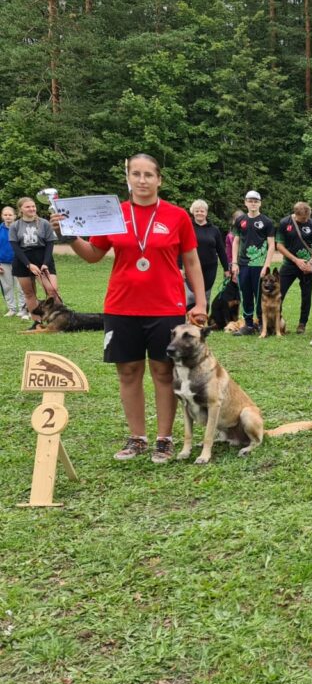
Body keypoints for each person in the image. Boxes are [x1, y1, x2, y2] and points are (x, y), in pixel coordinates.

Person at [52, 153, 206, 463]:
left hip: (166, 307)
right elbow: (94, 254)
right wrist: (65, 234)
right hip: (122, 306)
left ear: (159, 179)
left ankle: (165, 439)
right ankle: (137, 438)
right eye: (136, 174)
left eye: (149, 174)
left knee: (163, 371)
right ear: (128, 179)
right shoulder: (113, 213)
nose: (142, 180)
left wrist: (200, 302)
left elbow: (191, 260)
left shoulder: (177, 216)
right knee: (128, 371)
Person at [230, 190, 275, 336]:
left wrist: (266, 266)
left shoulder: (267, 222)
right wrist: (234, 262)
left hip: (260, 266)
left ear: (260, 203)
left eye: (256, 201)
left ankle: (263, 324)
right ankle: (248, 325)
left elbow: (271, 245)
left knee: (260, 295)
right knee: (246, 294)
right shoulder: (240, 220)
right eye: (250, 201)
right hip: (243, 265)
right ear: (245, 202)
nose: (253, 203)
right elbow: (236, 242)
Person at [275, 201, 312, 334]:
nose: (306, 220)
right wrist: (296, 260)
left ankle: (302, 324)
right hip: (289, 264)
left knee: (306, 296)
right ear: (296, 214)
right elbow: (279, 245)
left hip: (307, 267)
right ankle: (277, 320)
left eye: (307, 217)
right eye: (303, 218)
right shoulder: (285, 223)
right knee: (280, 293)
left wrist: (311, 262)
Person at [10, 196, 58, 325]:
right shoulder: (15, 226)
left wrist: (45, 263)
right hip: (23, 260)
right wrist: (28, 264)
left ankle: (56, 319)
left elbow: (50, 244)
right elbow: (16, 248)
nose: (32, 209)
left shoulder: (44, 223)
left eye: (33, 206)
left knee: (52, 290)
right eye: (28, 207)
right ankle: (37, 322)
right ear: (21, 209)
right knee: (29, 293)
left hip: (42, 258)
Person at [186, 199, 228, 309]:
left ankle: (202, 322)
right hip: (191, 267)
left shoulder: (215, 230)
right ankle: (190, 323)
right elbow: (181, 249)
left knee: (205, 295)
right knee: (191, 296)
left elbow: (221, 250)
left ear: (206, 212)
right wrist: (179, 267)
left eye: (202, 211)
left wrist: (226, 268)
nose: (199, 213)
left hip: (210, 268)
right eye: (197, 211)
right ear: (193, 212)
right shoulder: (187, 228)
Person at [0, 205, 27, 318]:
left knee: (21, 287)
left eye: (10, 215)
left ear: (15, 216)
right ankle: (12, 309)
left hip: (19, 262)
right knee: (7, 287)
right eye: (5, 215)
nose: (8, 217)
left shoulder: (20, 228)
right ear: (2, 216)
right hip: (3, 263)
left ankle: (23, 309)